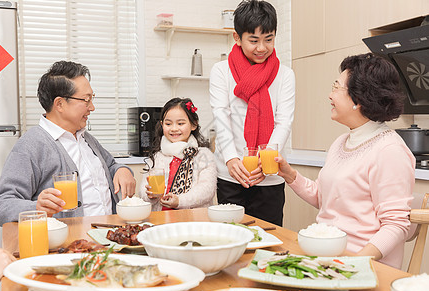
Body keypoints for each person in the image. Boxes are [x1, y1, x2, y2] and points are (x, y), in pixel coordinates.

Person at [275, 53, 415, 268]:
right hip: (328, 257)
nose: (330, 95)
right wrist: (290, 175)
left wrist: (352, 263)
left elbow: (396, 225)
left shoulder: (389, 150)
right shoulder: (342, 142)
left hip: (364, 267)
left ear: (359, 99)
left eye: (336, 87)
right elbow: (327, 200)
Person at [0, 61, 136, 226]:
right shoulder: (31, 145)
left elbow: (110, 166)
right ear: (59, 104)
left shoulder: (85, 138)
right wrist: (36, 207)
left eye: (92, 99)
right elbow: (0, 205)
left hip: (109, 239)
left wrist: (122, 169)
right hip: (73, 246)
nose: (92, 107)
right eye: (86, 100)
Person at [209, 0, 295, 226]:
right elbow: (221, 116)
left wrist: (266, 162)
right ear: (237, 38)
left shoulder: (285, 75)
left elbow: (283, 122)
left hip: (269, 177)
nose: (262, 48)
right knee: (231, 239)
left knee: (269, 240)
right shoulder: (221, 71)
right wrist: (230, 159)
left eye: (269, 39)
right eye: (254, 40)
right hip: (231, 175)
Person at [139, 98, 217, 211]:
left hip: (194, 221)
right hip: (162, 220)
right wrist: (150, 195)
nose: (174, 128)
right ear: (162, 125)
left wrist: (179, 201)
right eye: (168, 123)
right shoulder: (157, 157)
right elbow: (142, 190)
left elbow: (207, 190)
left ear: (194, 124)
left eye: (180, 123)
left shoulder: (203, 155)